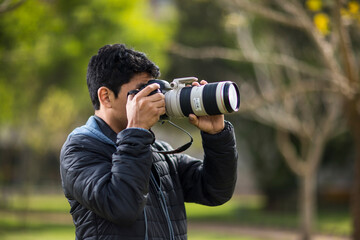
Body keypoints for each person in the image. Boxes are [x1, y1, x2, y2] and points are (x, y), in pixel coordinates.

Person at [60, 44, 238, 240]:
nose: (156, 99)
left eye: (156, 89)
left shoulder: (157, 150)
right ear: (106, 96)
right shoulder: (79, 150)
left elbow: (215, 190)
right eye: (143, 91)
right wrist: (136, 131)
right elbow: (122, 207)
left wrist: (217, 136)